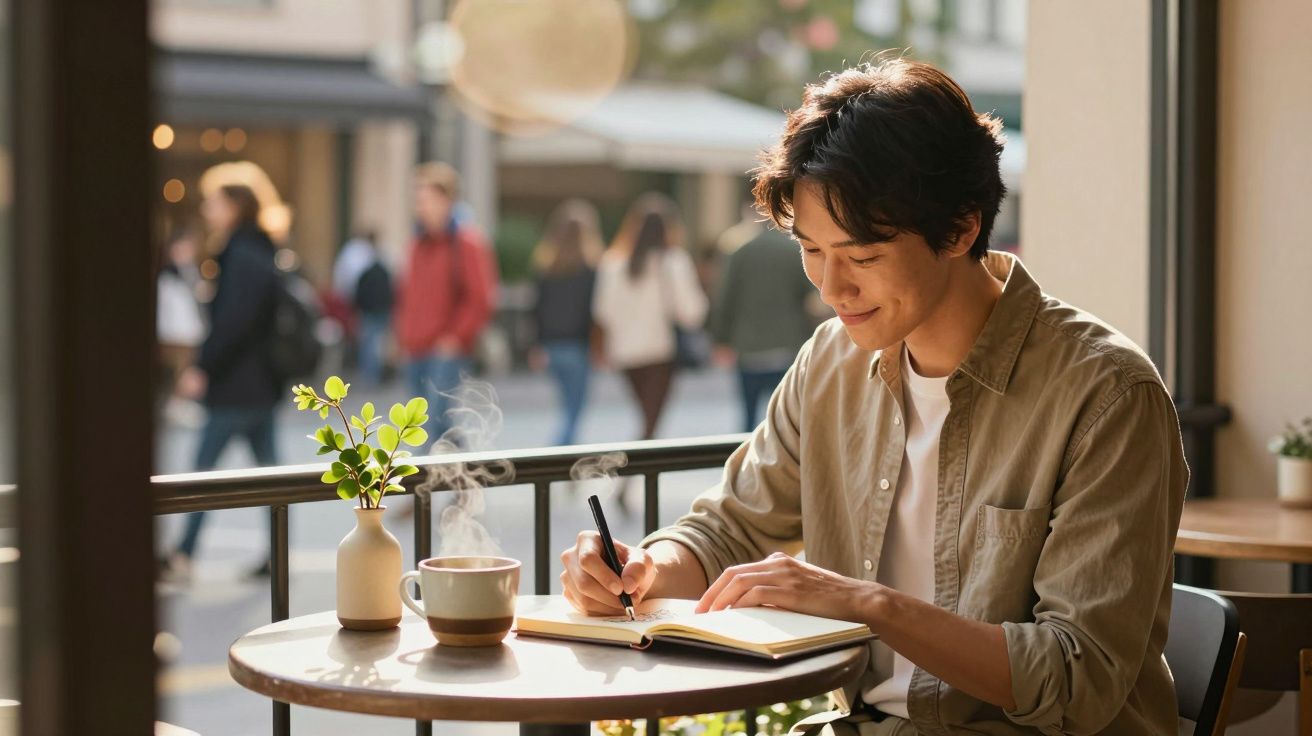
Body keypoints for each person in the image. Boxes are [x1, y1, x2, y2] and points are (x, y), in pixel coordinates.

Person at [560, 58, 1187, 736]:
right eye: (811, 249)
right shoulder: (830, 363)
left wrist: (867, 605)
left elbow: (1076, 678)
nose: (831, 289)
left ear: (959, 229)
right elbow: (729, 530)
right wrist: (648, 569)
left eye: (861, 257)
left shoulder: (1107, 396)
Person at [170, 184, 282, 578]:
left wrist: (204, 367)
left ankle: (183, 554)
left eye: (214, 203)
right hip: (260, 384)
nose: (207, 209)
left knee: (203, 471)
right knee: (272, 477)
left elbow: (234, 324)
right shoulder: (258, 249)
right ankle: (276, 555)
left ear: (235, 207)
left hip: (237, 385)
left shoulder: (242, 253)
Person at [392, 162, 498, 445]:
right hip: (415, 350)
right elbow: (407, 297)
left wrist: (454, 337)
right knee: (434, 427)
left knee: (431, 428)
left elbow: (481, 298)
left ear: (446, 200)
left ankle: (419, 488)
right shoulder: (417, 244)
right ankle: (466, 480)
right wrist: (402, 337)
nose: (420, 206)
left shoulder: (466, 242)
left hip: (445, 350)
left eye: (425, 199)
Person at [592, 193, 708, 441]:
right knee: (650, 423)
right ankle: (629, 471)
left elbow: (603, 312)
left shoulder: (613, 264)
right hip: (660, 353)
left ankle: (632, 472)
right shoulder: (674, 262)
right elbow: (692, 312)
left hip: (625, 354)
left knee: (647, 419)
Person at [709, 223, 816, 432]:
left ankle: (750, 461)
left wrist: (720, 339)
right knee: (787, 417)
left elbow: (725, 298)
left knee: (748, 416)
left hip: (748, 347)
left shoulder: (738, 250)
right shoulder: (792, 249)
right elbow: (810, 295)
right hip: (787, 344)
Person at [530, 199, 603, 446]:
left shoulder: (546, 267)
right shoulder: (591, 270)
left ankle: (567, 456)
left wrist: (537, 344)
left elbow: (537, 310)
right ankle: (560, 454)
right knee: (574, 410)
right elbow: (594, 312)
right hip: (578, 346)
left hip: (552, 346)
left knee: (568, 406)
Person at [337, 231, 393, 385]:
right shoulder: (383, 271)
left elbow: (358, 293)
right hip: (381, 310)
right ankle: (373, 374)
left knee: (368, 345)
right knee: (375, 345)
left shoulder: (366, 273)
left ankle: (369, 375)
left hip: (370, 311)